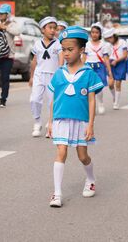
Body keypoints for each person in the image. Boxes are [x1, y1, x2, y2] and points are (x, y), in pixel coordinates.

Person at [47, 26, 104, 208]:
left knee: (82, 156)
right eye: (63, 49)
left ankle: (90, 178)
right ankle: (57, 193)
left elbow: (91, 101)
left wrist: (91, 125)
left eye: (70, 49)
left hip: (81, 121)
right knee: (61, 152)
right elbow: (53, 100)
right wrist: (50, 122)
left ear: (81, 50)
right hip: (61, 119)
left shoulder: (89, 74)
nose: (66, 53)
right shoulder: (58, 74)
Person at [29, 17, 63, 138]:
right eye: (50, 28)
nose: (53, 31)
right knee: (34, 99)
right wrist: (31, 76)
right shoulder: (37, 44)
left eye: (55, 28)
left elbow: (61, 60)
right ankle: (37, 122)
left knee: (52, 102)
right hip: (39, 74)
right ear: (43, 29)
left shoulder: (58, 44)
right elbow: (34, 61)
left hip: (53, 75)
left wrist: (60, 74)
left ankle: (51, 124)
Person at [0, 4, 21, 108]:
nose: (0, 15)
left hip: (8, 56)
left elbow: (17, 32)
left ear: (8, 14)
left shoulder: (12, 24)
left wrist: (4, 28)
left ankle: (3, 99)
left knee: (5, 78)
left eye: (2, 13)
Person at [84, 22, 113, 115]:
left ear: (100, 33)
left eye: (96, 32)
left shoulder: (104, 45)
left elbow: (106, 58)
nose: (94, 34)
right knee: (89, 88)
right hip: (89, 66)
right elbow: (83, 58)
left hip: (100, 67)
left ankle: (100, 103)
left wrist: (109, 71)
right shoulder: (87, 44)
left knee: (99, 87)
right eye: (92, 32)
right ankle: (91, 106)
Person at [103, 28, 128, 109]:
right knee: (110, 84)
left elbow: (125, 55)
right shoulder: (107, 45)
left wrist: (116, 61)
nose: (109, 40)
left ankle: (116, 103)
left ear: (114, 36)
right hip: (111, 63)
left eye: (110, 38)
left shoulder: (122, 42)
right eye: (107, 39)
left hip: (120, 63)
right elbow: (105, 56)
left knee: (118, 83)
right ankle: (114, 96)